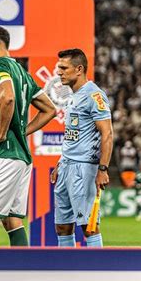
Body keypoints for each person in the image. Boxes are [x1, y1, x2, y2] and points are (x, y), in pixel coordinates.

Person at [0, 26, 56, 246]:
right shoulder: (23, 73)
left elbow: (7, 97)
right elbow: (50, 109)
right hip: (22, 157)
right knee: (12, 221)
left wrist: (1, 132)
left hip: (4, 154)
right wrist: (21, 131)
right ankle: (23, 270)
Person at [51, 48, 113, 247]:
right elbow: (73, 136)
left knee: (89, 225)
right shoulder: (73, 96)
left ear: (79, 69)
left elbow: (107, 133)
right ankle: (66, 271)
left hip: (84, 168)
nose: (59, 72)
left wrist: (102, 169)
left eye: (63, 67)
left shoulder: (94, 95)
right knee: (62, 226)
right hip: (67, 166)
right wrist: (61, 163)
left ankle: (99, 272)